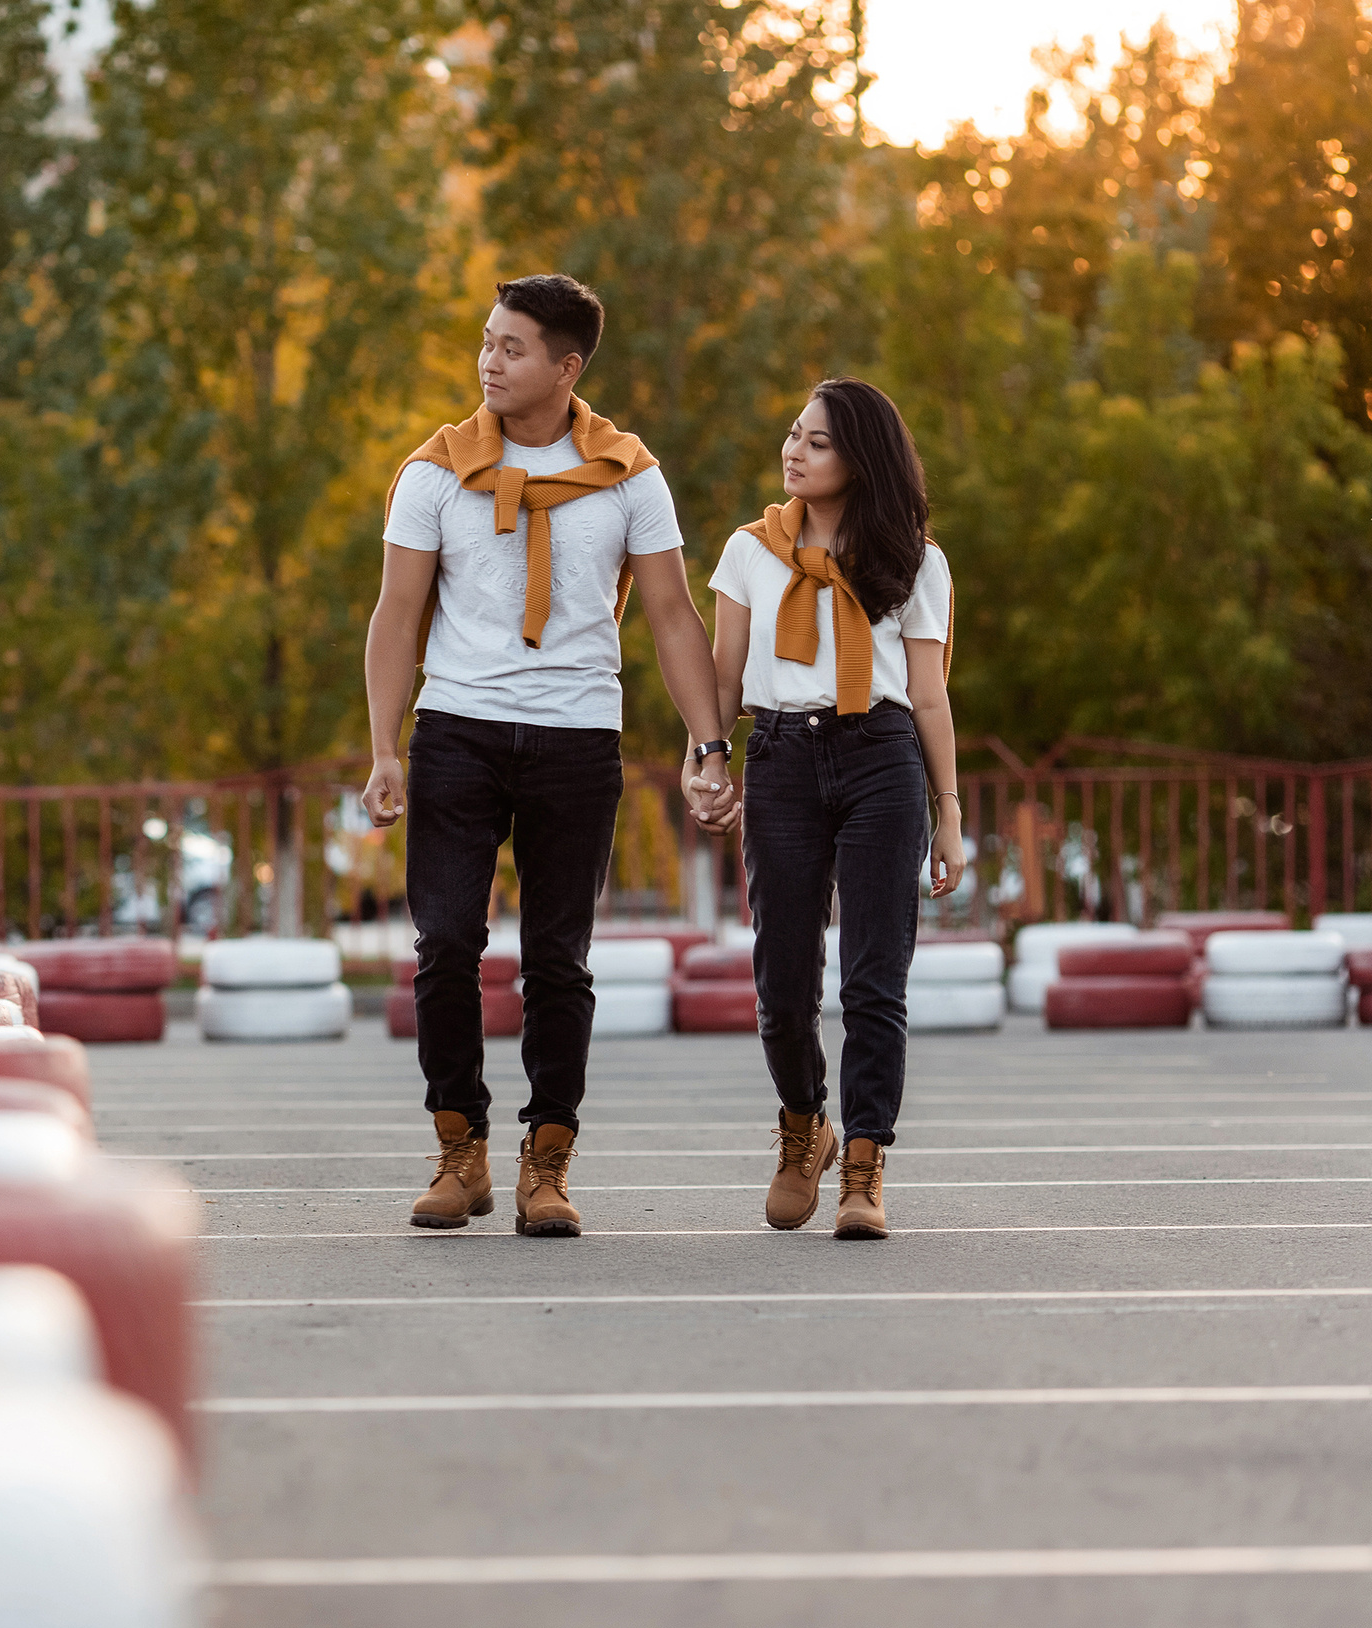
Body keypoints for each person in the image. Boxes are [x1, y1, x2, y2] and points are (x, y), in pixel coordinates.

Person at [362, 275, 733, 1237]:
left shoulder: (629, 476)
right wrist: (383, 747)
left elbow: (669, 615)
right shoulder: (433, 472)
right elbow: (396, 615)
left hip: (577, 736)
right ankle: (460, 1150)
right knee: (445, 943)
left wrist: (710, 742)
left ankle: (547, 1162)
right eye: (486, 342)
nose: (490, 361)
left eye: (513, 347)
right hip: (456, 731)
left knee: (557, 959)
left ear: (566, 368)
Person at [695, 376, 964, 1240]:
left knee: (875, 978)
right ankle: (805, 1121)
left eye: (816, 441)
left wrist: (949, 810)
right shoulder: (748, 551)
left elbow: (928, 697)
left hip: (882, 758)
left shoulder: (915, 560)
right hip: (778, 756)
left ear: (861, 459)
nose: (793, 451)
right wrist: (705, 758)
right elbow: (724, 675)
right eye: (792, 434)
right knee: (781, 983)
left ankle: (866, 1162)